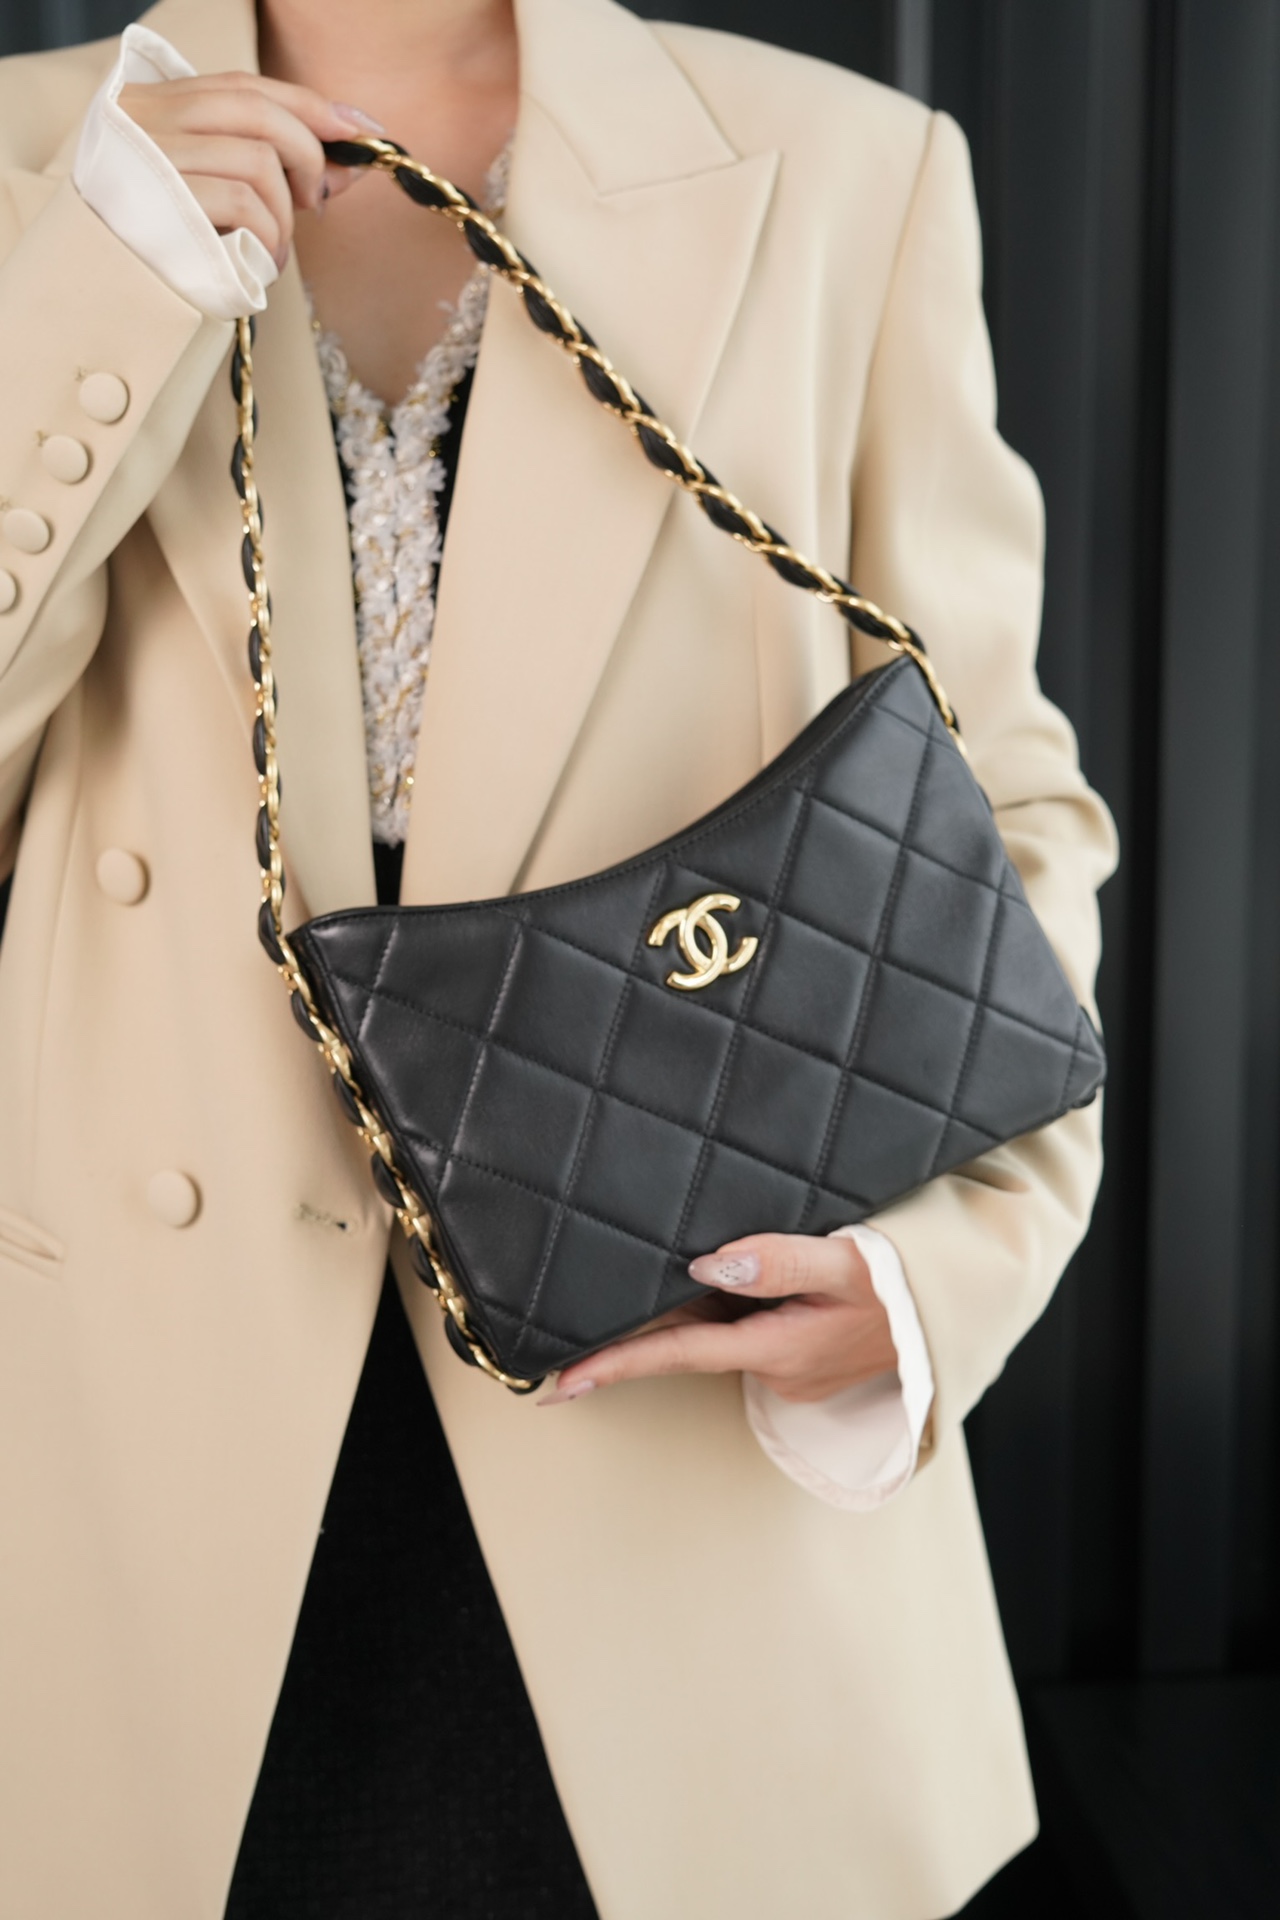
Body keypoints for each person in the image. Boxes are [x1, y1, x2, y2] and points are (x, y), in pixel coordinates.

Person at [0, 0, 1117, 1914]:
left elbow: (1000, 805)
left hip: (685, 1430)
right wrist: (90, 298)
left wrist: (933, 1277)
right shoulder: (32, 163)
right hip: (133, 1485)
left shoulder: (841, 172)